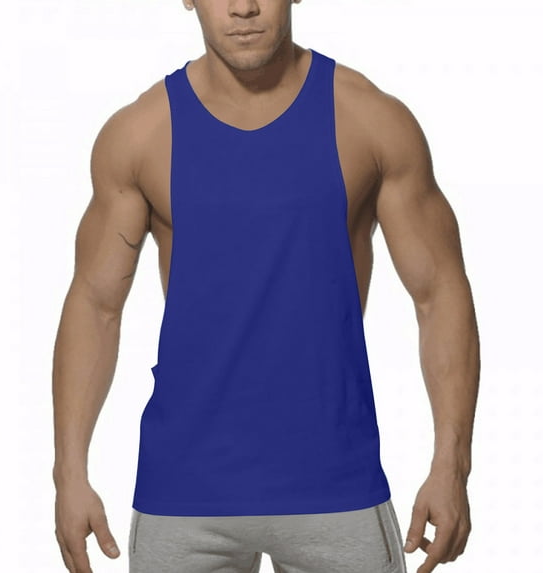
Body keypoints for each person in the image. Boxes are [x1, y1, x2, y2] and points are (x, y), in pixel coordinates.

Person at [52, 1, 480, 572]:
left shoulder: (369, 121)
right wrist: (69, 474)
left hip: (337, 486)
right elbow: (95, 305)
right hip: (183, 493)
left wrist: (452, 465)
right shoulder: (140, 135)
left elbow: (440, 292)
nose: (243, 7)